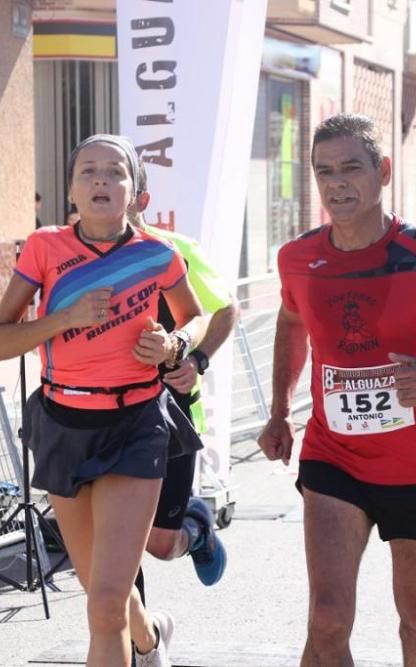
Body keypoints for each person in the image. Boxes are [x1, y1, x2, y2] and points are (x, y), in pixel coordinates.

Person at [257, 113, 416, 667]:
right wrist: (280, 412)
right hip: (333, 456)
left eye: (351, 167)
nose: (336, 183)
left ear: (385, 171)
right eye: (323, 171)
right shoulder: (298, 258)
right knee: (326, 618)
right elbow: (290, 323)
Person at [0, 133, 208, 667]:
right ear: (70, 189)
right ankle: (152, 637)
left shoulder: (158, 253)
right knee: (103, 596)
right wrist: (64, 318)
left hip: (135, 425)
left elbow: (198, 317)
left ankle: (141, 637)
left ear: (134, 192)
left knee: (104, 607)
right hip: (63, 425)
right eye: (87, 171)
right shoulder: (44, 247)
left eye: (115, 172)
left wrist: (176, 344)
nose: (101, 180)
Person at [128, 159, 235, 586]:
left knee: (159, 544)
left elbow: (225, 309)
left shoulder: (174, 250)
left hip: (171, 414)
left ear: (141, 200)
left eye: (120, 184)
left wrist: (197, 360)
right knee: (116, 544)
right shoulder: (75, 258)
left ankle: (197, 527)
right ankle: (136, 647)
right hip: (107, 416)